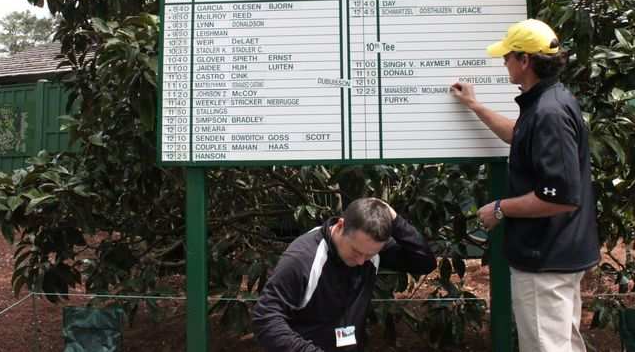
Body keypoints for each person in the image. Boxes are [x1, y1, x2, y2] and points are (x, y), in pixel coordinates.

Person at [450, 19, 599, 352]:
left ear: (525, 61)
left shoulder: (549, 113)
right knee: (563, 344)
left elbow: (561, 197)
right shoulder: (548, 102)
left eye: (507, 56)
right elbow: (518, 135)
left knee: (546, 346)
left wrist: (501, 208)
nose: (504, 63)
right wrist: (475, 106)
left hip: (545, 258)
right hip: (557, 253)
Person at [252, 197, 436, 352]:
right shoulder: (303, 258)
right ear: (341, 226)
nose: (361, 261)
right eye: (356, 251)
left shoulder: (367, 248)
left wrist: (394, 219)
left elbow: (424, 262)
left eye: (370, 255)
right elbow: (265, 317)